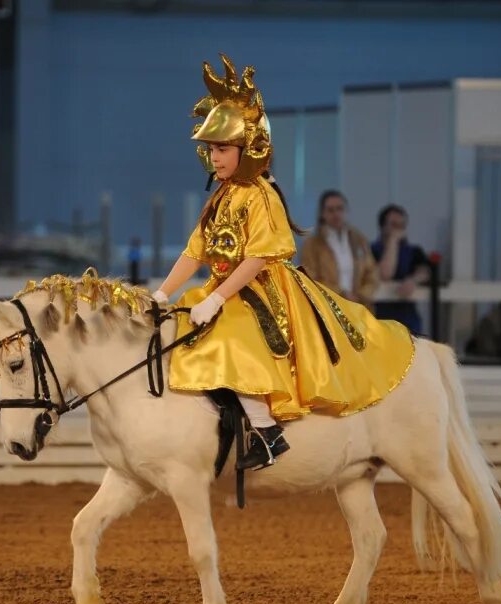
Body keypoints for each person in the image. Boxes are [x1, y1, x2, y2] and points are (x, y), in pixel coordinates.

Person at [153, 54, 414, 471]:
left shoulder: (260, 195)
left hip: (260, 288)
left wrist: (218, 298)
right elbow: (194, 251)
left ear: (246, 149)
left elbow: (259, 255)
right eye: (211, 150)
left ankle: (266, 431)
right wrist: (162, 292)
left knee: (235, 336)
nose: (214, 158)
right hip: (223, 287)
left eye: (222, 149)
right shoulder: (219, 197)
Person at [298, 190, 379, 311]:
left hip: (359, 307)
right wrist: (341, 294)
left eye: (340, 209)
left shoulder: (359, 240)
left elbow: (372, 273)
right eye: (330, 210)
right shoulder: (312, 245)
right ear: (322, 214)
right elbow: (310, 278)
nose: (336, 214)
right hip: (329, 307)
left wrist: (360, 295)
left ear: (346, 211)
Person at [370, 204, 431, 335]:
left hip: (408, 318)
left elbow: (425, 271)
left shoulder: (415, 251)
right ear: (382, 226)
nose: (398, 229)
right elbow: (385, 274)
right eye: (393, 224)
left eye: (401, 225)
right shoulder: (371, 250)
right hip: (381, 318)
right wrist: (393, 241)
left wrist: (413, 280)